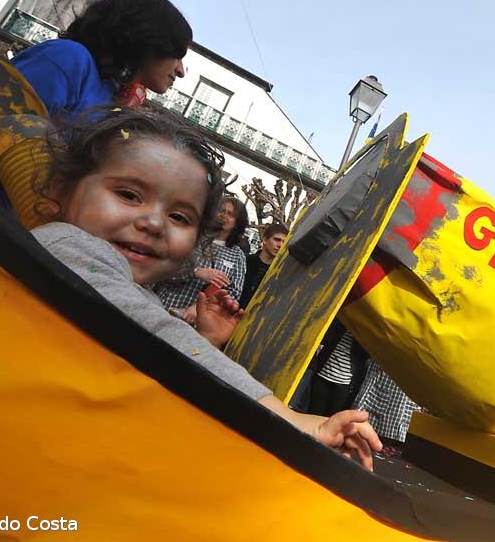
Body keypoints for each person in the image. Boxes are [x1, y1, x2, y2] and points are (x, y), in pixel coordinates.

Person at [30, 106, 381, 468]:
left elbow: (142, 350)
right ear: (63, 189)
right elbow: (154, 334)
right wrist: (288, 419)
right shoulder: (65, 246)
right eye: (129, 195)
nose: (153, 222)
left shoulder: (126, 286)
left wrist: (205, 339)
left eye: (179, 217)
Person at [0, 0, 192, 208]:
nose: (180, 71)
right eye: (178, 54)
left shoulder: (111, 93)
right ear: (149, 39)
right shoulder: (67, 58)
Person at [154, 196, 249, 313]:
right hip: (163, 307)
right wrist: (196, 272)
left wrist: (201, 308)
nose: (224, 215)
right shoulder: (192, 238)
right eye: (221, 210)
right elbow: (162, 270)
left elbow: (234, 293)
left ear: (237, 223)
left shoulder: (237, 256)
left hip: (197, 321)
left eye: (230, 214)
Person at [238, 223, 287, 308]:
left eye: (284, 242)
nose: (280, 245)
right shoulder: (244, 262)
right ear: (264, 240)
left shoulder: (280, 273)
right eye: (277, 240)